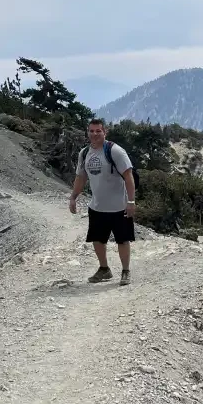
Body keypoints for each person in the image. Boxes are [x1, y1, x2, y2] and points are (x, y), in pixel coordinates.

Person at [69, 119, 137, 285]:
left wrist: (131, 201)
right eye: (91, 131)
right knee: (97, 239)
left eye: (98, 131)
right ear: (88, 132)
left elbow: (129, 176)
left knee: (123, 239)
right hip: (97, 206)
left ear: (104, 132)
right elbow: (81, 177)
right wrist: (73, 197)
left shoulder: (115, 151)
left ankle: (125, 271)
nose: (94, 134)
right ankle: (104, 269)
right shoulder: (84, 153)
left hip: (119, 206)